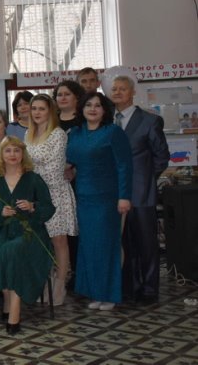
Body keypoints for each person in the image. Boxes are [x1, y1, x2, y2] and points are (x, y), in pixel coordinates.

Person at [66, 91, 133, 310]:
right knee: (89, 247)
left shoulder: (113, 132)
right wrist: (68, 171)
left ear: (105, 110)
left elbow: (125, 166)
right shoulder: (76, 133)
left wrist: (124, 197)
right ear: (82, 109)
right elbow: (70, 161)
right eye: (88, 105)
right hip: (83, 198)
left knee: (106, 246)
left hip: (107, 198)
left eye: (97, 105)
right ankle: (95, 293)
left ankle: (109, 295)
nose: (92, 109)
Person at [0, 136, 55, 334]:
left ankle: (14, 311)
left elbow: (49, 208)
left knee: (15, 251)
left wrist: (33, 207)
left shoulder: (34, 179)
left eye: (17, 150)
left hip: (30, 233)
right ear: (1, 155)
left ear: (23, 154)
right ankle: (7, 301)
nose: (12, 154)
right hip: (4, 231)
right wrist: (0, 213)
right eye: (8, 150)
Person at [110, 75, 169, 304]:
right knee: (124, 242)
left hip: (141, 192)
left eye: (123, 89)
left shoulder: (149, 120)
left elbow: (161, 157)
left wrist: (146, 180)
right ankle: (130, 287)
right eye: (114, 89)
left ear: (133, 92)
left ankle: (149, 289)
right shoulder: (107, 121)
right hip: (114, 193)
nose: (118, 92)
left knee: (146, 243)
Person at [25, 94, 76, 306]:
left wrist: (33, 169)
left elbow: (54, 171)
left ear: (50, 111)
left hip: (55, 195)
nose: (37, 112)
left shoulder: (58, 134)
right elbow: (24, 166)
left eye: (42, 109)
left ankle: (60, 285)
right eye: (34, 108)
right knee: (41, 241)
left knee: (59, 241)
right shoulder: (28, 134)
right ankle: (45, 283)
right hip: (34, 197)